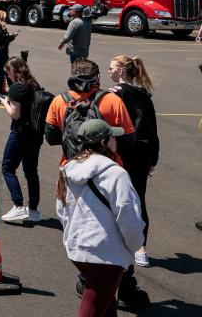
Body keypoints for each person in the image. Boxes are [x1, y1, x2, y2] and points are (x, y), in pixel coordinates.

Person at [44, 59, 148, 308]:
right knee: (112, 226)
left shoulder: (59, 101)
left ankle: (87, 277)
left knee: (81, 222)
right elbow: (130, 138)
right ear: (96, 77)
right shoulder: (112, 101)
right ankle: (123, 285)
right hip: (106, 171)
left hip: (71, 170)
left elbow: (49, 137)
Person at [57, 119, 145, 317]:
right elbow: (128, 214)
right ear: (104, 142)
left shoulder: (67, 170)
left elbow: (62, 211)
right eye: (111, 136)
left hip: (78, 250)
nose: (115, 140)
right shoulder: (116, 174)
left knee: (105, 305)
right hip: (107, 255)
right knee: (93, 309)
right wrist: (135, 245)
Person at [108, 56, 158, 267]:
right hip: (144, 152)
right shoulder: (144, 94)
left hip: (125, 151)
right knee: (138, 198)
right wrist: (154, 157)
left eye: (111, 68)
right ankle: (141, 248)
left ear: (120, 71)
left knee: (117, 198)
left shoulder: (116, 94)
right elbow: (153, 129)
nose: (108, 71)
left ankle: (119, 243)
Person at [0, 57, 45, 223]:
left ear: (12, 71)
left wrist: (5, 102)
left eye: (7, 72)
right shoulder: (34, 84)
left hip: (20, 133)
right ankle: (33, 210)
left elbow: (15, 114)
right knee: (31, 171)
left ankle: (18, 206)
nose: (7, 76)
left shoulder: (17, 87)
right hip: (36, 133)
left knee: (7, 168)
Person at [0, 10, 19, 101]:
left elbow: (3, 37)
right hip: (0, 53)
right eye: (4, 16)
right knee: (2, 73)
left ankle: (11, 91)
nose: (5, 17)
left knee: (6, 72)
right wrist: (13, 36)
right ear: (0, 16)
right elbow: (5, 39)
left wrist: (10, 35)